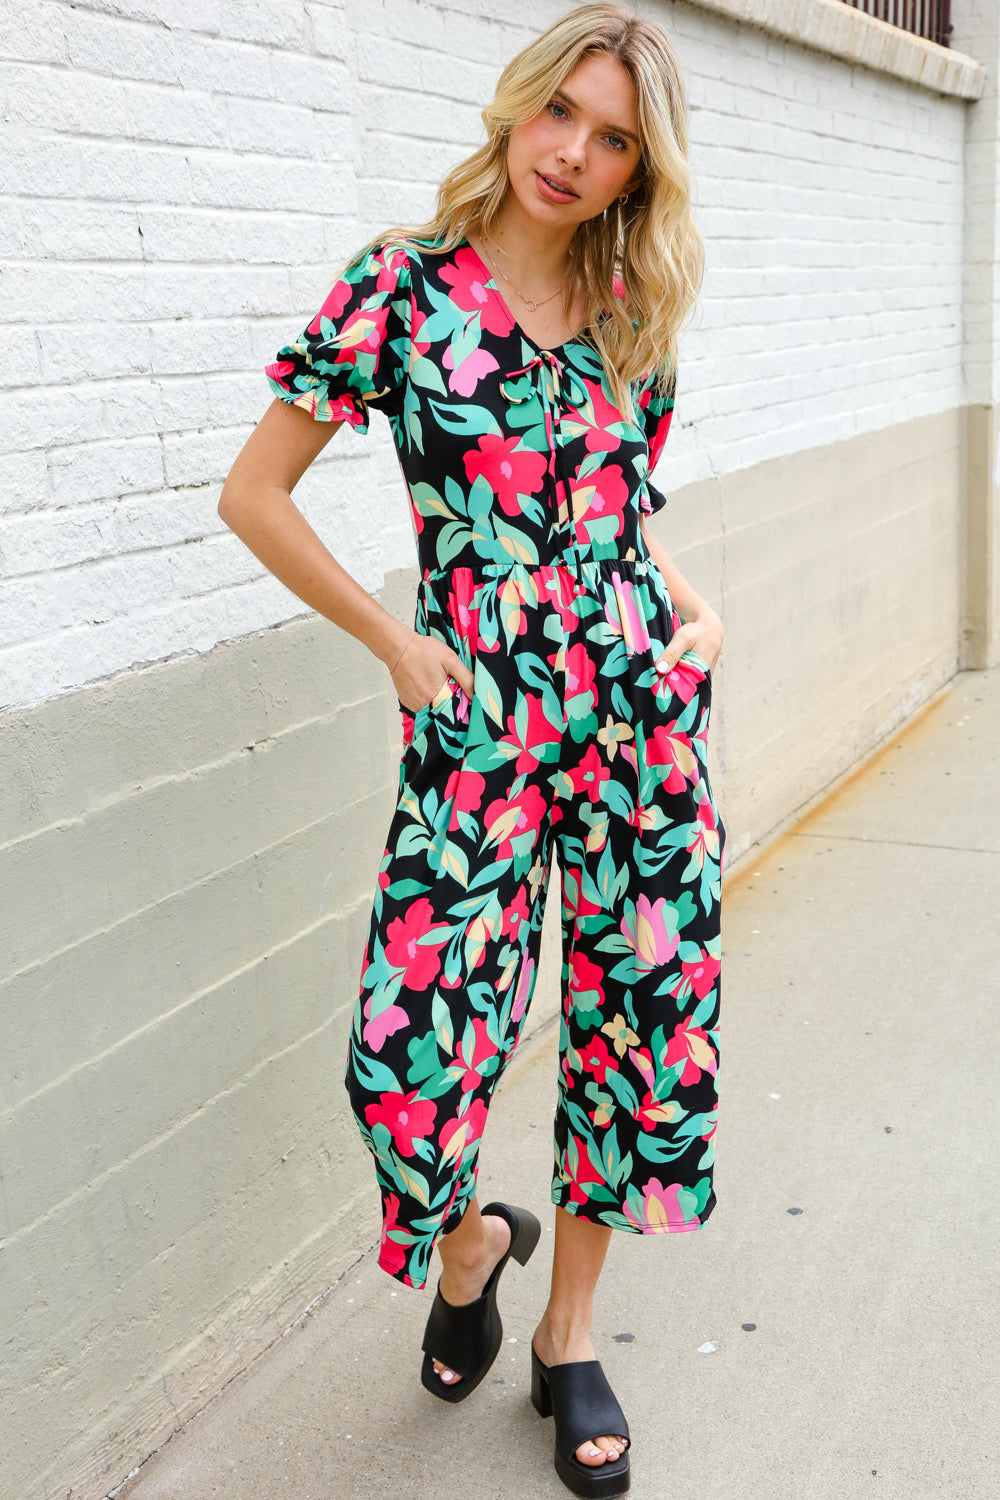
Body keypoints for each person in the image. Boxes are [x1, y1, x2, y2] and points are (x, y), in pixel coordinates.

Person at [219, 5, 723, 1494]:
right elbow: (254, 495)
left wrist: (692, 605)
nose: (572, 152)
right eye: (560, 111)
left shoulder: (633, 305)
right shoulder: (404, 285)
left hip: (638, 713)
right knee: (405, 1056)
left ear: (639, 169)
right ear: (516, 106)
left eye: (613, 137)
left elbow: (618, 510)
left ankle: (568, 1334)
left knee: (637, 1030)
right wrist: (397, 642)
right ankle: (470, 1250)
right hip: (477, 719)